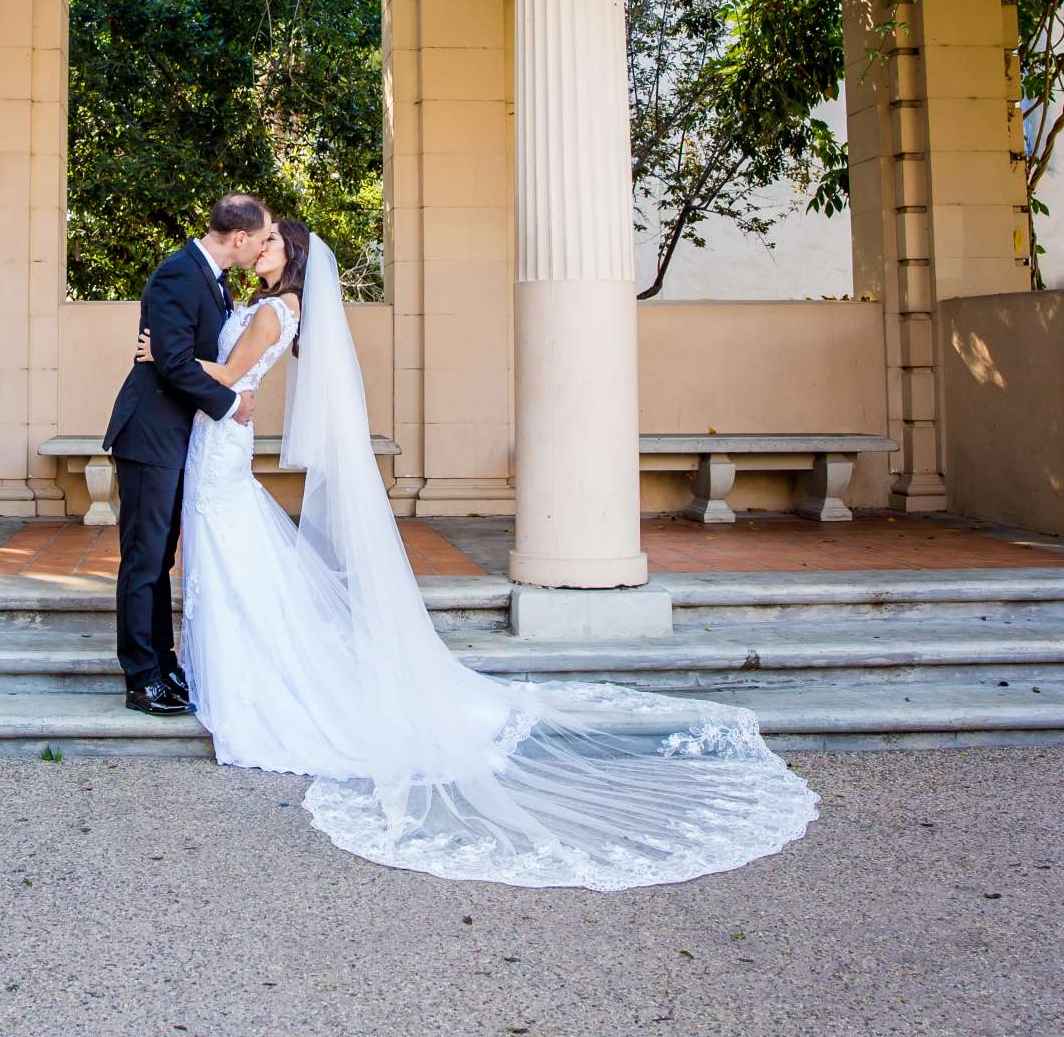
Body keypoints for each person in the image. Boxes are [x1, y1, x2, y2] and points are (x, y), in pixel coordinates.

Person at [134, 219, 820, 889]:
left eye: (276, 240)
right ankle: (228, 668)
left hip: (220, 443)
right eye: (263, 237)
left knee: (232, 557)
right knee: (233, 558)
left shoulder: (274, 312)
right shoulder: (257, 302)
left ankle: (250, 680)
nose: (264, 246)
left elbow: (224, 374)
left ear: (295, 256)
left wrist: (161, 357)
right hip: (217, 443)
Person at [100, 193, 269, 717]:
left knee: (160, 555)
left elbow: (179, 354)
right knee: (145, 559)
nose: (263, 247)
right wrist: (229, 403)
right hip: (151, 436)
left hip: (177, 438)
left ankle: (164, 664)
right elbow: (172, 364)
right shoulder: (178, 273)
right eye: (261, 238)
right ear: (238, 237)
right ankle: (142, 677)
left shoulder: (211, 279)